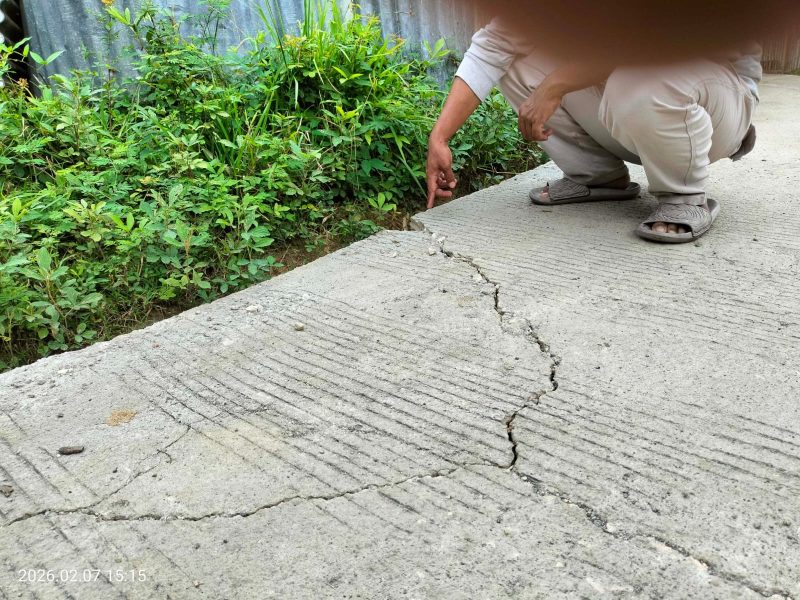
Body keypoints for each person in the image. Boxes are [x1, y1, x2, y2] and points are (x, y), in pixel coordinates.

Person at [425, 18, 762, 243]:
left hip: (713, 104)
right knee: (518, 59)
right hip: (633, 104)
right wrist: (440, 137)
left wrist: (554, 86)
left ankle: (684, 195)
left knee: (641, 75)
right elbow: (492, 46)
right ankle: (597, 176)